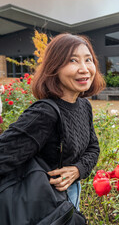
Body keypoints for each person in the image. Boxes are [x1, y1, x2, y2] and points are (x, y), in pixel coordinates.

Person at [0, 33, 105, 211]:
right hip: (43, 203)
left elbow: (93, 147)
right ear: (54, 67)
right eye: (73, 60)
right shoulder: (45, 113)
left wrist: (77, 170)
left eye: (88, 60)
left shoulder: (83, 106)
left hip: (70, 195)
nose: (84, 69)